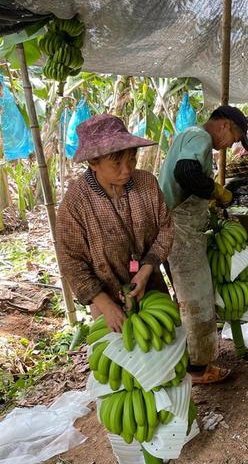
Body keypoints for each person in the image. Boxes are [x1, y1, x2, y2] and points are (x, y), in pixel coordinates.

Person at [56, 114, 174, 333]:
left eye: (131, 158)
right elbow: (71, 261)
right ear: (94, 162)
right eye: (116, 163)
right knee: (120, 358)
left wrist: (147, 268)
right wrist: (104, 304)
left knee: (162, 348)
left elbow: (166, 229)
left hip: (151, 286)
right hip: (105, 299)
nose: (127, 169)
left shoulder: (146, 183)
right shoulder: (76, 203)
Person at [158, 105, 248, 384]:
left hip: (177, 229)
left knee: (187, 298)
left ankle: (187, 357)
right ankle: (198, 369)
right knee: (195, 299)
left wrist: (207, 201)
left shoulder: (191, 135)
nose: (230, 144)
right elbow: (186, 172)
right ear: (224, 124)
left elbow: (186, 179)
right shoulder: (201, 137)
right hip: (180, 233)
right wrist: (216, 191)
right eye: (234, 137)